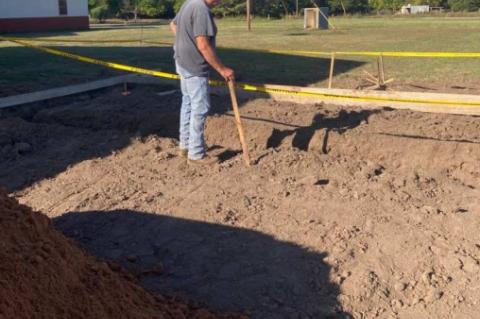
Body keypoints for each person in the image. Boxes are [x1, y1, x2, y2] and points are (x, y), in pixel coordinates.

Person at [170, 0, 235, 165]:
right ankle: (196, 154)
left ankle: (185, 146)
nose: (220, 2)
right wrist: (222, 70)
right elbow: (203, 45)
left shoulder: (189, 3)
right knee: (200, 107)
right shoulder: (201, 9)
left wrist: (184, 43)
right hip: (194, 66)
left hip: (182, 62)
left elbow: (173, 25)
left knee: (188, 103)